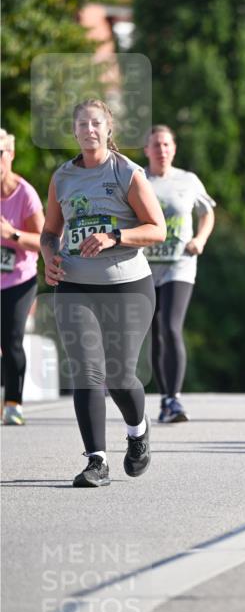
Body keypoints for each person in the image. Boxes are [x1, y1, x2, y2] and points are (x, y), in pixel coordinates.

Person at [40, 99, 166, 487]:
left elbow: (157, 229)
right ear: (74, 131)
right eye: (82, 124)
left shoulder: (127, 172)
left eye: (96, 124)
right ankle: (96, 460)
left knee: (119, 376)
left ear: (108, 130)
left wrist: (114, 236)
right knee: (87, 373)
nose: (89, 130)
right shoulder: (63, 177)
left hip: (127, 286)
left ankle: (138, 430)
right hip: (75, 285)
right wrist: (50, 257)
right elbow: (49, 232)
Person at [144, 125, 216, 423]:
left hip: (180, 265)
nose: (161, 150)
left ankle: (174, 399)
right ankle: (164, 398)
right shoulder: (138, 179)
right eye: (156, 145)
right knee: (155, 335)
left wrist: (200, 239)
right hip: (145, 266)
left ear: (174, 149)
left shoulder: (188, 180)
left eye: (166, 144)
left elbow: (207, 212)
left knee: (170, 326)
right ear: (147, 150)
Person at [1, 129, 45, 425]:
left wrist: (11, 234)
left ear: (10, 155)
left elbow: (45, 241)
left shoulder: (25, 194)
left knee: (11, 340)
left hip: (19, 280)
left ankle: (13, 403)